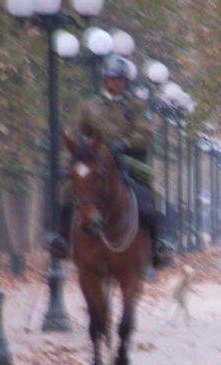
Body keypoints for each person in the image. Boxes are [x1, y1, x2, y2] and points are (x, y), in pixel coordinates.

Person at [50, 54, 173, 267]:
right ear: (105, 80)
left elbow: (145, 134)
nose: (115, 83)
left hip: (127, 160)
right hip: (95, 161)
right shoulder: (89, 106)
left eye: (119, 79)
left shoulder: (135, 106)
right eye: (111, 78)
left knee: (151, 195)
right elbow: (75, 135)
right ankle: (62, 239)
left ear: (125, 82)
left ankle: (157, 247)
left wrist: (125, 143)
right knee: (70, 190)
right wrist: (70, 162)